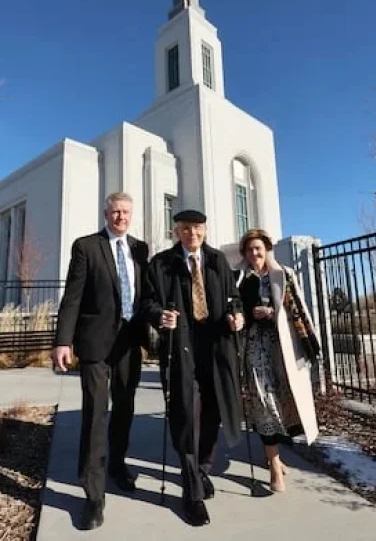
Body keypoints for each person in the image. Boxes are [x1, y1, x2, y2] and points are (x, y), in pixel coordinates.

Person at [51, 192, 149, 531]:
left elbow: (146, 295)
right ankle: (93, 495)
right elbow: (72, 297)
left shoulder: (140, 249)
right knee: (95, 413)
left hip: (129, 345)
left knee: (124, 409)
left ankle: (117, 464)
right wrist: (63, 340)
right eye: (116, 212)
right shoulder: (86, 246)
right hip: (95, 344)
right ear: (106, 213)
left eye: (126, 212)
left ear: (132, 215)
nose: (121, 217)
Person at [140, 209, 244, 527]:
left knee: (213, 412)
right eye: (186, 229)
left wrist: (236, 315)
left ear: (205, 231)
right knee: (186, 415)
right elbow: (147, 302)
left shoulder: (217, 261)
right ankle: (192, 491)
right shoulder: (161, 263)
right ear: (177, 232)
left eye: (197, 228)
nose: (192, 234)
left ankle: (201, 470)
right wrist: (160, 316)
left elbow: (233, 297)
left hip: (214, 349)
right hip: (180, 348)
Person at [235, 228, 319, 493]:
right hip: (253, 346)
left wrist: (273, 312)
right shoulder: (239, 278)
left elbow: (296, 308)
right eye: (249, 250)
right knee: (263, 400)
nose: (254, 254)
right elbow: (232, 306)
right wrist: (248, 314)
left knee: (282, 402)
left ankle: (271, 454)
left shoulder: (283, 274)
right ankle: (273, 465)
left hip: (281, 346)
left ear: (267, 249)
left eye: (258, 248)